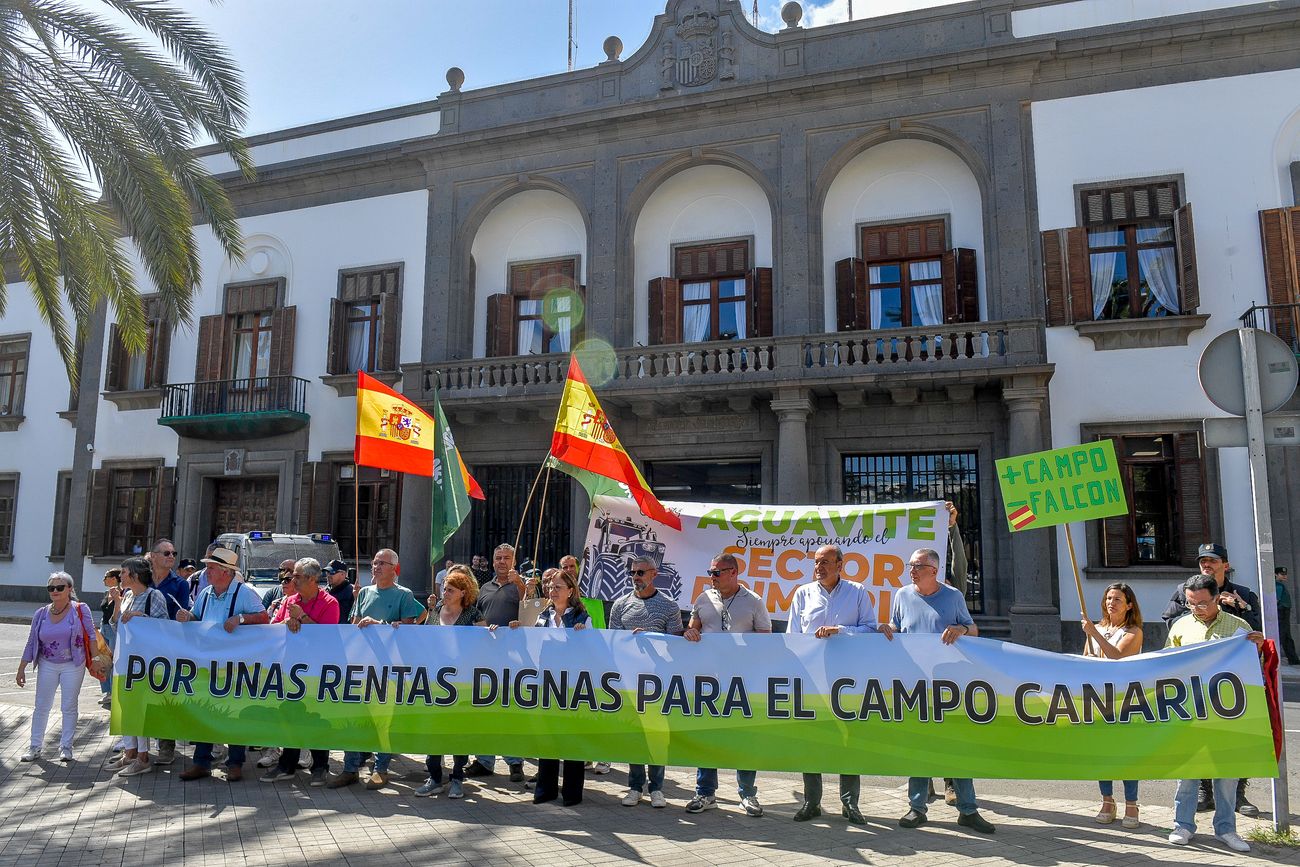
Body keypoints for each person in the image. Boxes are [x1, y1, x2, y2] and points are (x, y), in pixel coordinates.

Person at [786, 544, 892, 825]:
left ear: (840, 565)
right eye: (816, 562)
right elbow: (792, 637)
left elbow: (870, 629)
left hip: (848, 682)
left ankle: (850, 804)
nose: (819, 567)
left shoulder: (857, 592)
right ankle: (812, 802)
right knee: (811, 741)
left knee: (848, 740)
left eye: (825, 562)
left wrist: (840, 631)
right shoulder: (802, 594)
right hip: (812, 680)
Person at [890, 547, 993, 834]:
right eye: (910, 564)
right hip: (914, 685)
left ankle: (968, 810)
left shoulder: (953, 596)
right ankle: (917, 807)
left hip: (950, 686)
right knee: (919, 748)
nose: (911, 570)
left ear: (933, 571)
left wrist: (960, 629)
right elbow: (897, 626)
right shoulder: (901, 595)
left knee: (957, 746)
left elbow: (974, 630)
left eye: (917, 566)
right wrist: (887, 628)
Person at [1165, 574, 1265, 853]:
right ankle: (1183, 825)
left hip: (1227, 713)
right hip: (1191, 712)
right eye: (1191, 603)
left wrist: (1256, 649)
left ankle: (1226, 829)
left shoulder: (1239, 626)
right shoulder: (1180, 627)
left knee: (1227, 773)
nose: (1197, 608)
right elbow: (1166, 666)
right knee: (1188, 774)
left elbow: (1255, 669)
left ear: (1217, 597)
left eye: (1203, 603)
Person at [683, 552, 771, 817]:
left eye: (717, 572)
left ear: (733, 572)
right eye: (710, 572)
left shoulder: (754, 601)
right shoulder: (703, 598)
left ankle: (747, 794)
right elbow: (693, 627)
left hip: (742, 682)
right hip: (709, 681)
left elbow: (766, 640)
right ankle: (705, 792)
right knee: (708, 735)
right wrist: (691, 631)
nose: (712, 577)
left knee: (743, 737)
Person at [328, 548, 424, 790]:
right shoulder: (363, 594)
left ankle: (380, 769)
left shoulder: (404, 594)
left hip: (389, 668)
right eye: (374, 563)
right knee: (353, 718)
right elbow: (353, 623)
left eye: (382, 563)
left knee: (383, 721)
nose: (376, 567)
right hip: (361, 664)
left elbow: (410, 631)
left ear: (395, 569)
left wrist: (379, 625)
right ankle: (350, 769)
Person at [175, 547, 269, 781]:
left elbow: (264, 618)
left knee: (234, 712)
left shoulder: (244, 593)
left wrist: (241, 618)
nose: (207, 571)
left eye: (211, 567)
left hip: (236, 665)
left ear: (226, 572)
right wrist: (187, 617)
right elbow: (197, 618)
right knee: (206, 711)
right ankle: (202, 762)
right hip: (208, 663)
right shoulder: (206, 593)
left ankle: (235, 762)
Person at [609, 555, 684, 808]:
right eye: (632, 573)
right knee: (634, 734)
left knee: (656, 735)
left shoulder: (669, 606)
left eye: (641, 572)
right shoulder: (620, 605)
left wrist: (651, 638)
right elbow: (613, 643)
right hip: (629, 681)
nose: (636, 577)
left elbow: (676, 645)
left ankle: (657, 788)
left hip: (657, 682)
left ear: (654, 574)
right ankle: (634, 786)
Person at [260, 557, 341, 786]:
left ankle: (320, 766)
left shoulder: (330, 602)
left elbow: (327, 637)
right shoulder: (290, 600)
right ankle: (287, 764)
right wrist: (287, 621)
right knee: (289, 715)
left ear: (312, 579)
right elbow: (273, 627)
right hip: (290, 668)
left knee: (316, 717)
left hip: (317, 670)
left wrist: (302, 618)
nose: (290, 579)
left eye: (296, 576)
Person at [414, 567, 483, 799]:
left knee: (458, 731)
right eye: (444, 588)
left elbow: (485, 644)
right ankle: (434, 777)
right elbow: (422, 641)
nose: (446, 593)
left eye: (451, 590)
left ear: (463, 592)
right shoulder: (434, 613)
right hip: (435, 682)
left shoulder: (473, 614)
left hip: (462, 685)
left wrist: (490, 631)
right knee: (434, 730)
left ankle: (457, 777)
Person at [523, 568, 590, 806]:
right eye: (550, 587)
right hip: (547, 684)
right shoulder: (543, 616)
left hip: (572, 686)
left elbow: (592, 651)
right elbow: (532, 646)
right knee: (548, 737)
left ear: (570, 591)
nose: (552, 591)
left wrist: (584, 636)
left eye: (558, 587)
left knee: (572, 738)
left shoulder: (582, 617)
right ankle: (546, 790)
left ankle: (572, 793)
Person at [1081, 582, 1144, 828]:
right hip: (1098, 698)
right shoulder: (1095, 628)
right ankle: (1107, 800)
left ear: (1129, 605)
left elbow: (1118, 656)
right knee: (1102, 751)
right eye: (1108, 598)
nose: (1111, 603)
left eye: (1117, 599)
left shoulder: (1133, 631)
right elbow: (1087, 659)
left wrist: (1093, 633)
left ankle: (1132, 803)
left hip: (1125, 699)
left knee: (1126, 753)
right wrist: (1091, 637)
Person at [463, 543, 528, 782]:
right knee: (484, 710)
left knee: (509, 711)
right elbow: (475, 618)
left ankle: (515, 762)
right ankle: (484, 760)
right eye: (498, 558)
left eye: (507, 558)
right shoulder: (484, 589)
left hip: (513, 658)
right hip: (485, 657)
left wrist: (522, 585)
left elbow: (531, 611)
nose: (502, 561)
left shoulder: (522, 586)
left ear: (514, 561)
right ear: (492, 562)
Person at [16, 572, 94, 762]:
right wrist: (21, 667)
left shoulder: (80, 609)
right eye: (51, 588)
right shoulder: (41, 613)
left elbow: (91, 635)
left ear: (70, 589)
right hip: (47, 664)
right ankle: (35, 746)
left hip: (73, 664)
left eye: (60, 587)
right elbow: (31, 641)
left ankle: (66, 747)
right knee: (41, 706)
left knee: (68, 706)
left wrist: (98, 658)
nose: (55, 591)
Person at [108, 557, 171, 776]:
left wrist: (140, 617)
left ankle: (143, 757)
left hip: (144, 662)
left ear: (135, 575)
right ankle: (130, 752)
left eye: (124, 573)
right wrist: (117, 604)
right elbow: (116, 625)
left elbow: (164, 626)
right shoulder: (126, 596)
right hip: (125, 658)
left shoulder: (154, 596)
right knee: (126, 706)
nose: (121, 576)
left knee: (139, 708)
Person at [98, 568, 122, 709]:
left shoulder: (122, 593)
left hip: (113, 630)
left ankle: (114, 693)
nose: (104, 579)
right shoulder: (107, 593)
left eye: (106, 576)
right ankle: (107, 692)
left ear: (114, 578)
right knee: (103, 661)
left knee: (113, 661)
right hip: (104, 628)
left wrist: (117, 598)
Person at [1275, 566, 1299, 665]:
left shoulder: (1280, 585)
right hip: (1281, 612)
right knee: (1282, 635)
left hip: (1284, 612)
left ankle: (1293, 658)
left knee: (1286, 636)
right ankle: (1273, 656)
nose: (1284, 576)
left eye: (1285, 574)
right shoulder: (1278, 586)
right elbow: (1276, 600)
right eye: (1282, 574)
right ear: (1276, 575)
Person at [325, 559, 355, 624]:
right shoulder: (324, 591)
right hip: (326, 630)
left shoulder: (352, 592)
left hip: (345, 631)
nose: (328, 575)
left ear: (343, 574)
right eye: (327, 572)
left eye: (332, 572)